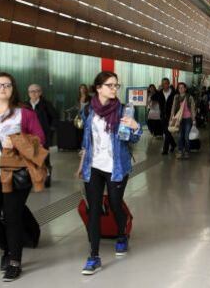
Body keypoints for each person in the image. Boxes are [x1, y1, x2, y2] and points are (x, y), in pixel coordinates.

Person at [0, 72, 45, 282]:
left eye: (7, 85)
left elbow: (40, 140)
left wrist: (17, 141)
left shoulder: (24, 114)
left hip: (15, 172)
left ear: (13, 89)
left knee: (13, 216)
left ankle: (14, 261)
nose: (3, 88)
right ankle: (5, 246)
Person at [76, 71, 142, 275]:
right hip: (93, 167)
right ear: (98, 88)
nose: (114, 89)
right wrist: (81, 164)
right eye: (110, 85)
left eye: (116, 85)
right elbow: (87, 140)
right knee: (93, 210)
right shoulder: (89, 110)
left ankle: (122, 234)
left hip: (116, 167)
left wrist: (136, 127)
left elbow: (132, 139)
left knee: (114, 204)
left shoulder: (124, 110)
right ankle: (93, 256)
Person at [26, 84, 58, 187]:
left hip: (43, 136)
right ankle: (33, 178)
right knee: (31, 158)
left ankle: (47, 176)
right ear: (28, 93)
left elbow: (55, 117)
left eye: (36, 91)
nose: (34, 93)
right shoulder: (25, 105)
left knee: (44, 158)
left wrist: (51, 130)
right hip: (29, 137)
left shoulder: (46, 104)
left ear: (40, 92)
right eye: (31, 91)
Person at [170, 82, 196, 159]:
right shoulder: (176, 97)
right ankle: (180, 151)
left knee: (186, 136)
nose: (180, 89)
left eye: (182, 87)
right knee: (180, 136)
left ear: (185, 88)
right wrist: (171, 117)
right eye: (179, 88)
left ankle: (187, 151)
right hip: (179, 120)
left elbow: (192, 109)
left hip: (188, 119)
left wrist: (194, 119)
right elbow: (173, 107)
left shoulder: (189, 97)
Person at [157, 78, 176, 155]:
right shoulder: (160, 93)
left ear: (168, 84)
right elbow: (153, 97)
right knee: (166, 131)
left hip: (171, 115)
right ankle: (173, 144)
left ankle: (165, 150)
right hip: (163, 115)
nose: (164, 85)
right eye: (163, 83)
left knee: (167, 131)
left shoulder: (174, 93)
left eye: (166, 83)